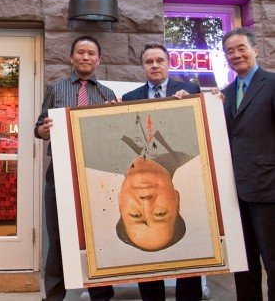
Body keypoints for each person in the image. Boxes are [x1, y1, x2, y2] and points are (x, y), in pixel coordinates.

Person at [35, 36, 116, 301]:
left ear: (98, 60)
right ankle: (55, 295)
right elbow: (38, 128)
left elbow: (115, 135)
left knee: (97, 235)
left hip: (96, 173)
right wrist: (43, 130)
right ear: (71, 58)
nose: (85, 57)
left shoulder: (107, 95)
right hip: (59, 171)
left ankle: (101, 294)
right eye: (80, 52)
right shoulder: (56, 89)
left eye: (91, 53)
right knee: (58, 236)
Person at [122, 42, 202, 301]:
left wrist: (191, 104)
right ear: (143, 66)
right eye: (149, 61)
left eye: (160, 60)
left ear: (169, 63)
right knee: (149, 264)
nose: (154, 65)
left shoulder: (190, 90)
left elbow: (199, 128)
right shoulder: (130, 98)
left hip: (184, 173)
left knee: (188, 255)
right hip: (146, 171)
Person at [220, 27, 275, 301]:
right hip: (235, 195)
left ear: (255, 50)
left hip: (269, 190)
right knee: (244, 266)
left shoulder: (272, 83)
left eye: (241, 48)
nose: (236, 55)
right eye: (229, 51)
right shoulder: (226, 94)